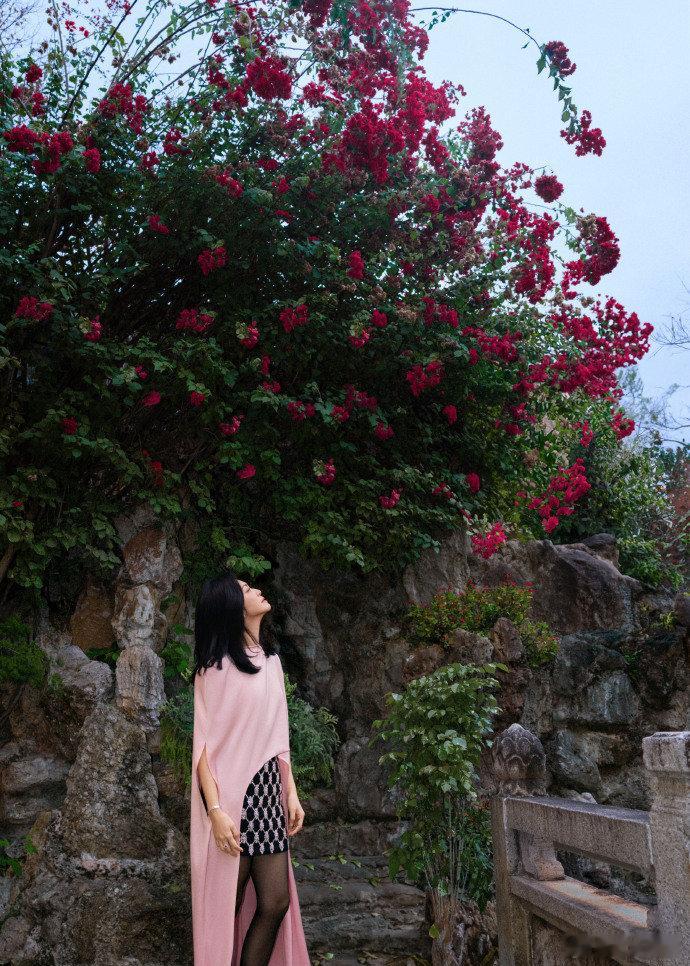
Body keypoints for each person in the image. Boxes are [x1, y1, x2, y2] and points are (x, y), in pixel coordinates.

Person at [190, 572, 312, 966]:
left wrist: (291, 793)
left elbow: (278, 737)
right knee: (226, 906)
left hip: (268, 793)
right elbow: (203, 750)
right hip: (232, 802)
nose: (256, 590)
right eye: (245, 589)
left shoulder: (273, 663)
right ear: (233, 607)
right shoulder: (214, 670)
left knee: (275, 902)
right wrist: (215, 812)